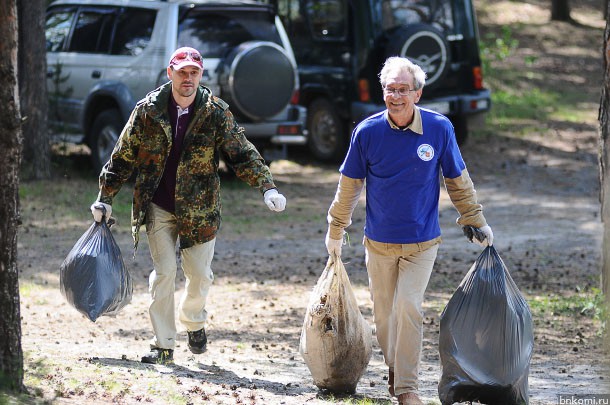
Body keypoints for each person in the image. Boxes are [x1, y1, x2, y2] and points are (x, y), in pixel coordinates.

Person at [90, 47, 287, 365]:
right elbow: (122, 154)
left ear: (201, 75)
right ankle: (163, 345)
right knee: (164, 272)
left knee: (199, 276)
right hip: (158, 205)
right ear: (170, 73)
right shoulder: (148, 111)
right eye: (182, 72)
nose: (188, 78)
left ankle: (194, 322)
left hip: (200, 209)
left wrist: (267, 187)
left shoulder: (215, 112)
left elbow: (242, 152)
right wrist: (105, 196)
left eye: (194, 72)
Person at [324, 56, 493, 405]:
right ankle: (395, 369)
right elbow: (349, 186)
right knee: (384, 318)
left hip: (422, 243)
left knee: (409, 308)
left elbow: (457, 181)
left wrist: (475, 219)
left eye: (403, 90)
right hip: (379, 244)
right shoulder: (367, 132)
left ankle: (407, 389)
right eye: (390, 89)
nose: (396, 96)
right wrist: (336, 229)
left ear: (417, 93)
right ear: (382, 92)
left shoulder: (439, 128)